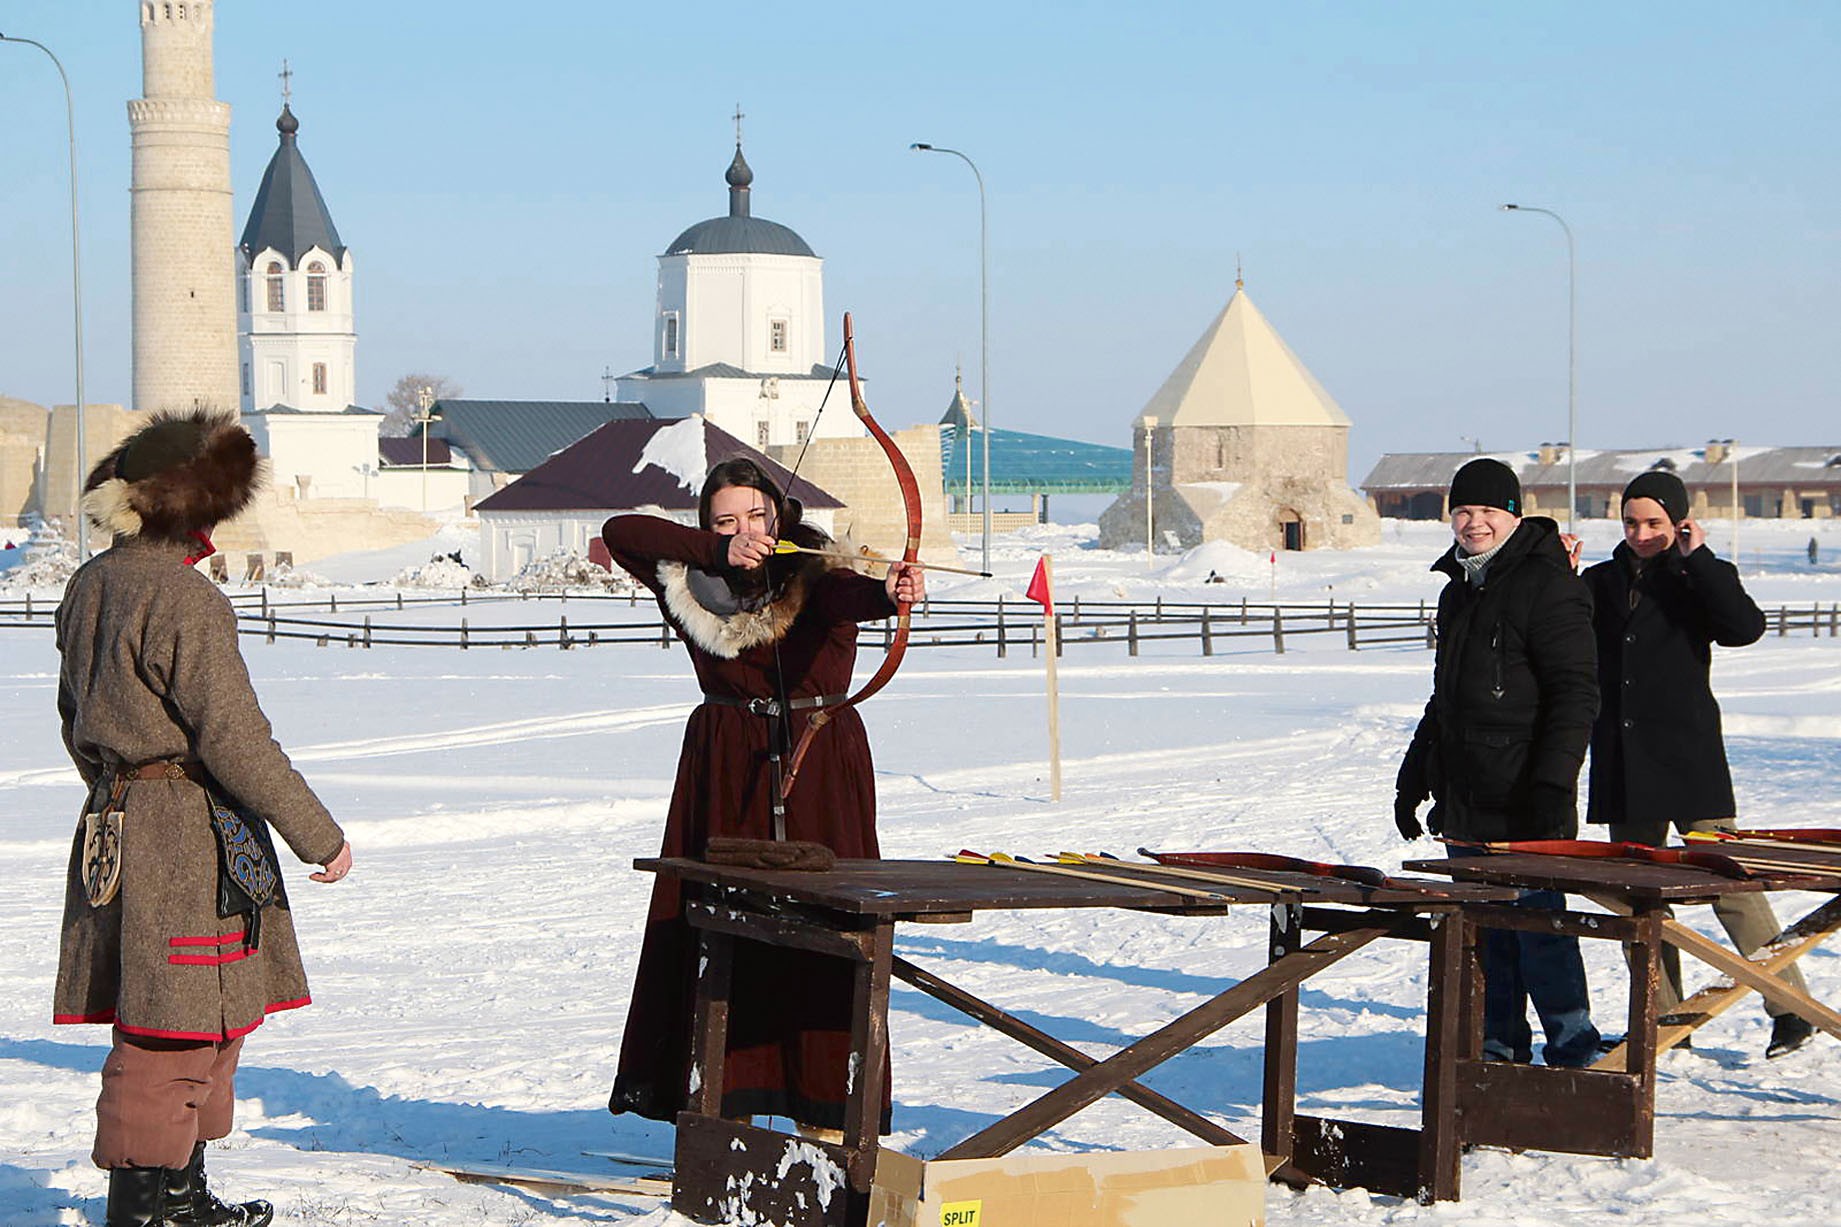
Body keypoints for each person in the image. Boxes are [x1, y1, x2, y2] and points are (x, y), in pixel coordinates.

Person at [55, 409, 353, 1227]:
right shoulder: (186, 598)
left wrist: (118, 790)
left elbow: (73, 718)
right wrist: (318, 835)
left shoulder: (91, 583)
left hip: (116, 823)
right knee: (169, 1026)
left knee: (201, 1008)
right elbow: (234, 738)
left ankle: (181, 1198)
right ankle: (141, 1212)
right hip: (183, 837)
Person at [603, 458, 923, 1138]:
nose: (744, 529)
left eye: (756, 514)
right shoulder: (692, 577)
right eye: (725, 520)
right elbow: (621, 532)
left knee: (829, 931)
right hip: (724, 767)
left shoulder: (816, 568)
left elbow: (848, 597)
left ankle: (828, 1120)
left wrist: (888, 591)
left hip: (818, 761)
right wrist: (717, 552)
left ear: (779, 514)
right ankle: (723, 1116)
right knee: (721, 934)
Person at [1585, 471, 1814, 1059]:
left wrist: (1700, 560)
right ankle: (1664, 1022)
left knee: (1731, 886)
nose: (1641, 534)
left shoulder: (1698, 575)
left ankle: (1793, 1009)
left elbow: (1745, 628)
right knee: (1639, 897)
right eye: (1631, 523)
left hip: (1690, 759)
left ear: (1679, 522)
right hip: (1624, 759)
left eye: (1654, 523)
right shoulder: (1599, 582)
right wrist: (1558, 576)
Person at [1394, 458, 1605, 1066]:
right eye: (1463, 511)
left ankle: (1573, 1050)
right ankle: (1497, 1053)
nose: (1474, 523)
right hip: (1465, 797)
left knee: (1540, 931)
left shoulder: (1549, 585)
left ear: (1514, 516)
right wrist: (1415, 776)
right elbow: (1446, 697)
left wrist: (1552, 783)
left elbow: (1575, 694)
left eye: (1488, 510)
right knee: (1484, 935)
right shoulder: (1457, 591)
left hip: (1527, 796)